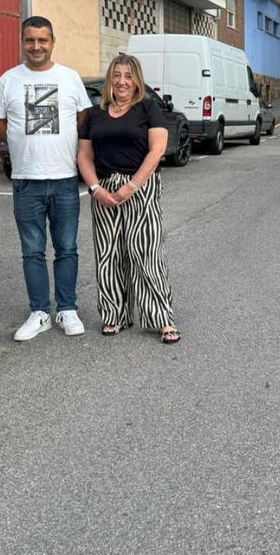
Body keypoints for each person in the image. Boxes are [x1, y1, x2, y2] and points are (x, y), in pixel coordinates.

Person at [0, 16, 92, 341]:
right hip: (26, 180)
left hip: (64, 179)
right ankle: (39, 312)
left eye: (42, 40)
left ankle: (67, 308)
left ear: (52, 41)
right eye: (30, 40)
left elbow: (82, 117)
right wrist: (19, 138)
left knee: (67, 248)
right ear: (23, 41)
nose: (36, 46)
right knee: (32, 251)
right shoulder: (9, 79)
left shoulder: (70, 78)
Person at [77, 54, 180, 344]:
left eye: (128, 76)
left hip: (140, 186)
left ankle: (162, 318)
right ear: (110, 79)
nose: (122, 81)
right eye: (117, 75)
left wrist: (132, 186)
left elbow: (157, 149)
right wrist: (96, 188)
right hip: (104, 188)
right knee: (108, 253)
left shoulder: (148, 108)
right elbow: (84, 155)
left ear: (137, 81)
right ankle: (114, 315)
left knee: (145, 252)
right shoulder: (94, 115)